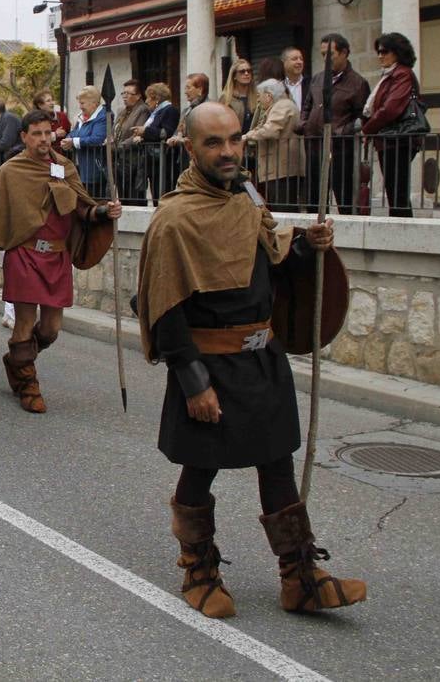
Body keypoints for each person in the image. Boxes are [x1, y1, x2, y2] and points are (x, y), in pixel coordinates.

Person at [137, 101, 365, 619]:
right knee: (201, 469)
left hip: (263, 361)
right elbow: (164, 308)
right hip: (209, 366)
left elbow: (271, 265)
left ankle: (300, 577)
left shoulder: (247, 200)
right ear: (191, 148)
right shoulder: (174, 219)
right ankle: (199, 568)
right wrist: (194, 383)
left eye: (235, 139)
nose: (228, 151)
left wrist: (308, 248)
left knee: (277, 462)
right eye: (214, 142)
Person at [0, 109, 120, 412]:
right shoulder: (11, 171)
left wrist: (104, 212)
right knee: (25, 323)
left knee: (52, 328)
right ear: (24, 136)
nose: (43, 138)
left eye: (47, 132)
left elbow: (81, 207)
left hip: (57, 256)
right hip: (25, 254)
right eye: (36, 133)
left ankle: (17, 359)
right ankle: (28, 386)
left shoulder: (63, 166)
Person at [301, 33, 369, 215]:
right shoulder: (316, 79)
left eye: (330, 54)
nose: (325, 59)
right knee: (313, 198)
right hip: (315, 145)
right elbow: (307, 105)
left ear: (344, 53)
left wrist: (342, 131)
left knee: (344, 197)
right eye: (322, 55)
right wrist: (305, 124)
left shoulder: (357, 83)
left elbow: (362, 116)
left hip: (341, 150)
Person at [363, 32, 422, 217]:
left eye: (385, 51)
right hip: (388, 139)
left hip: (398, 138)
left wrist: (368, 128)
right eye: (378, 52)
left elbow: (391, 108)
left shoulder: (402, 74)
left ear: (397, 52)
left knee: (398, 192)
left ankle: (405, 231)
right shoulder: (389, 75)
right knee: (394, 191)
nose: (380, 55)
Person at [243, 79, 305, 211]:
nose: (258, 101)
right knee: (278, 208)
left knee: (284, 209)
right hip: (277, 170)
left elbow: (270, 130)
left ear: (269, 96)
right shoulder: (277, 106)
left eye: (259, 96)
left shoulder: (282, 105)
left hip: (282, 170)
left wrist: (246, 136)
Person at [133, 82, 180, 204]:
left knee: (163, 195)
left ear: (157, 99)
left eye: (149, 98)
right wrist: (142, 137)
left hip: (163, 161)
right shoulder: (155, 113)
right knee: (155, 195)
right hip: (153, 161)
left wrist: (145, 131)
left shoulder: (170, 110)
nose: (147, 101)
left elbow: (165, 133)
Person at [59, 87, 109, 197]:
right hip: (82, 168)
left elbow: (97, 139)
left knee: (95, 201)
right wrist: (67, 141)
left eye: (82, 103)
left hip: (96, 169)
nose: (80, 107)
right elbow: (72, 134)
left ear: (94, 103)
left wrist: (73, 141)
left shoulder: (103, 116)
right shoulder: (82, 117)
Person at [112, 80, 151, 205]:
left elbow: (137, 133)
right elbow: (115, 130)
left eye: (129, 93)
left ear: (138, 95)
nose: (125, 96)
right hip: (120, 160)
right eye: (123, 93)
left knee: (134, 197)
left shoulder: (142, 110)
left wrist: (119, 146)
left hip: (134, 160)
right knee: (123, 197)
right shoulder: (122, 112)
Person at [166, 73, 209, 178]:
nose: (185, 92)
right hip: (185, 159)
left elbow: (204, 133)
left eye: (188, 88)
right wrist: (176, 137)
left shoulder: (208, 109)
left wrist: (185, 140)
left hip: (201, 159)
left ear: (200, 90)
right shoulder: (186, 110)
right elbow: (179, 129)